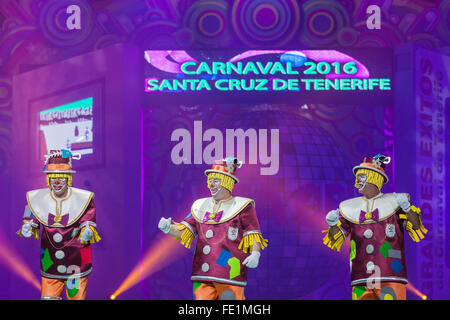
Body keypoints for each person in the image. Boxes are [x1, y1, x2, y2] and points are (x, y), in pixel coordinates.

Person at [158, 157, 268, 300]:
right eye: (210, 181)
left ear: (227, 182)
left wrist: (255, 254)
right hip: (203, 274)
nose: (211, 185)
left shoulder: (242, 206)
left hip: (229, 272)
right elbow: (185, 231)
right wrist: (168, 228)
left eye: (215, 181)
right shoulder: (200, 205)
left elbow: (252, 234)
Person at [323, 154, 428, 300]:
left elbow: (416, 227)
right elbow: (335, 239)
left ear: (374, 178)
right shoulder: (349, 208)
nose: (357, 181)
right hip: (361, 279)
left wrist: (407, 207)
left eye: (362, 177)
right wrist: (333, 224)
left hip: (390, 275)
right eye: (357, 177)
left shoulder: (395, 202)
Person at [17, 149, 101, 300]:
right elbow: (29, 216)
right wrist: (27, 226)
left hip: (76, 265)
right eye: (53, 178)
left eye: (61, 178)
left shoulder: (84, 198)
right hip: (50, 264)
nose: (56, 183)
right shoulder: (35, 197)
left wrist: (87, 230)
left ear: (68, 179)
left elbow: (88, 222)